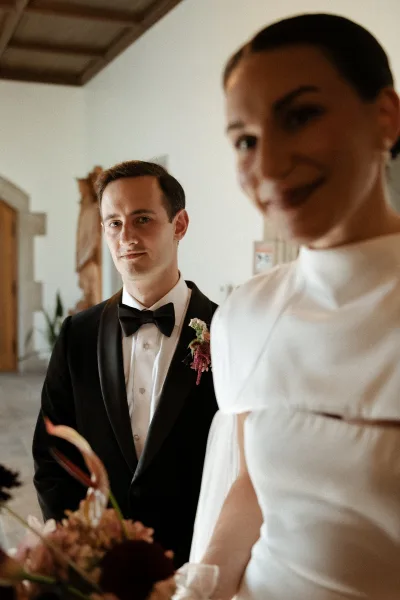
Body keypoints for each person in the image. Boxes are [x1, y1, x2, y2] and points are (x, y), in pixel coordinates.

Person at [191, 13, 400, 600]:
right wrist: (198, 587)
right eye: (245, 141)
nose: (270, 166)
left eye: (301, 116)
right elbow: (253, 490)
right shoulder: (244, 315)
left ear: (386, 116)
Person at [32, 161, 218, 568]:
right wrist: (81, 547)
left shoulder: (227, 331)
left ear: (180, 224)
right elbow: (53, 455)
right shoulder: (76, 334)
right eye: (113, 223)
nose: (126, 237)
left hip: (199, 562)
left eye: (143, 219)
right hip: (100, 561)